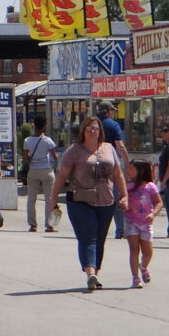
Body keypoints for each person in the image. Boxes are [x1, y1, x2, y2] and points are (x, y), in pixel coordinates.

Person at [49, 115, 128, 292]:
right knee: (88, 237)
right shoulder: (74, 151)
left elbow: (118, 174)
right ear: (83, 131)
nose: (93, 131)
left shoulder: (108, 148)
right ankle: (90, 272)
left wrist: (124, 195)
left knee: (100, 239)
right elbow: (62, 176)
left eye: (96, 128)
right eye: (89, 128)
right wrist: (53, 199)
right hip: (80, 200)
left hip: (106, 200)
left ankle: (95, 273)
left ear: (101, 131)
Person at [96, 103, 131, 239]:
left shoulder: (93, 124)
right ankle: (120, 230)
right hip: (110, 162)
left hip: (92, 162)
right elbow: (120, 146)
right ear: (108, 112)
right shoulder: (113, 125)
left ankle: (97, 228)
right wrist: (127, 163)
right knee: (117, 195)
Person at [123, 161, 161, 288]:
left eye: (131, 168)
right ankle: (135, 277)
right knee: (134, 250)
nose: (128, 171)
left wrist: (153, 214)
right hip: (131, 221)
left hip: (146, 222)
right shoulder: (127, 186)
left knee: (148, 252)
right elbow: (122, 200)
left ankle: (143, 266)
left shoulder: (150, 186)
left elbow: (159, 203)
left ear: (140, 171)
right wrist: (122, 204)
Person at [23, 116, 59, 232]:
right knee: (49, 198)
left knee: (31, 198)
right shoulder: (48, 140)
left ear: (34, 126)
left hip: (33, 170)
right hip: (47, 170)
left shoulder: (27, 140)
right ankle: (49, 225)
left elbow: (25, 158)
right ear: (44, 127)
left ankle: (32, 225)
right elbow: (55, 156)